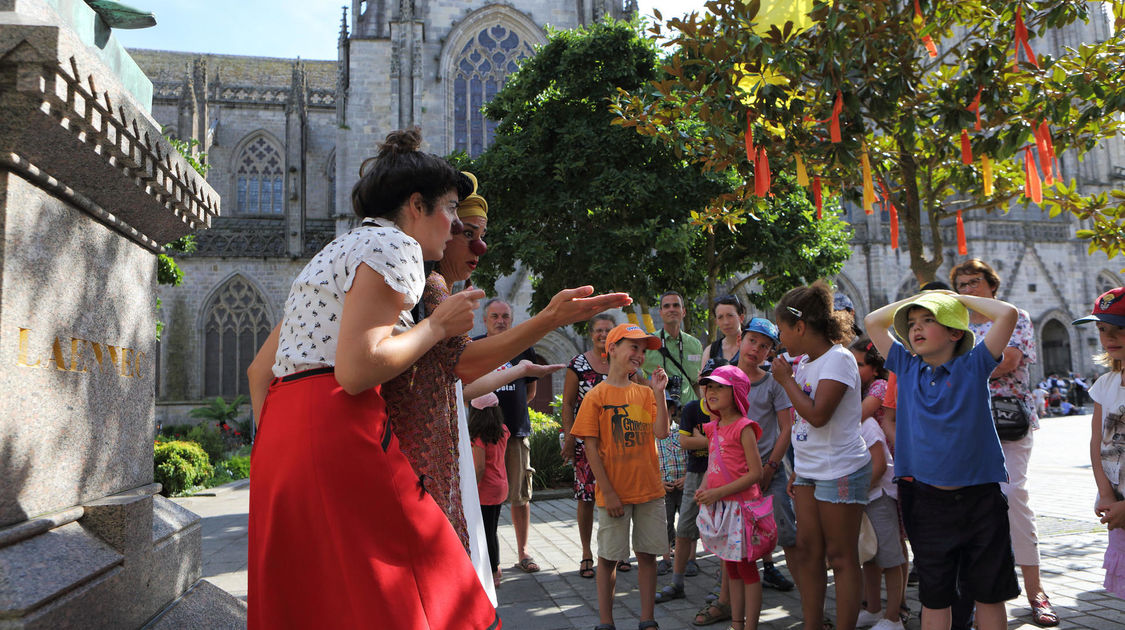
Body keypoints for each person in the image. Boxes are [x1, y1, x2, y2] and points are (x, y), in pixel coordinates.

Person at [244, 128, 499, 628]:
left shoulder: (329, 255)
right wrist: (436, 326)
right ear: (415, 205)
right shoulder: (396, 247)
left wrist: (283, 442)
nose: (453, 228)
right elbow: (357, 370)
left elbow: (259, 370)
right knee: (419, 591)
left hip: (282, 432)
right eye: (449, 209)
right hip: (341, 426)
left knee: (317, 600)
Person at [865, 290, 1020, 630]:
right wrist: (923, 299)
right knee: (936, 596)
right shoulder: (906, 367)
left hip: (981, 499)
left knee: (989, 594)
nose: (916, 328)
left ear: (955, 332)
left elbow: (1007, 314)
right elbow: (873, 321)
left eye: (929, 320)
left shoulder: (974, 365)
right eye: (912, 323)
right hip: (927, 501)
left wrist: (954, 297)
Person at [952, 259, 1056, 627]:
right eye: (961, 284)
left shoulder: (1014, 317)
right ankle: (984, 594)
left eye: (975, 282)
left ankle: (1036, 591)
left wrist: (959, 370)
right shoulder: (955, 325)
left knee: (1013, 498)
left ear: (992, 286)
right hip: (964, 426)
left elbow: (1008, 360)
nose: (968, 289)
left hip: (1008, 421)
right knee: (972, 506)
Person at [772, 282, 871, 630]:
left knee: (841, 558)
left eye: (782, 329)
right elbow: (805, 426)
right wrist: (800, 470)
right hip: (810, 471)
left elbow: (817, 415)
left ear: (800, 327)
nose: (779, 337)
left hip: (841, 469)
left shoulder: (840, 359)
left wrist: (786, 382)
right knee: (807, 551)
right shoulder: (803, 363)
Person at [571, 323, 671, 630]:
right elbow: (590, 447)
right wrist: (608, 491)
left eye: (643, 350)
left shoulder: (643, 394)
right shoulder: (596, 396)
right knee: (609, 558)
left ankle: (647, 619)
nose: (640, 355)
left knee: (647, 556)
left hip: (649, 490)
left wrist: (659, 394)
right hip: (613, 492)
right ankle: (606, 621)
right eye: (634, 347)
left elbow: (662, 432)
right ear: (611, 348)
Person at [696, 365, 770, 630]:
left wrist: (717, 492)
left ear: (736, 392)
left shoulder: (744, 427)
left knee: (747, 570)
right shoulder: (712, 428)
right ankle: (737, 623)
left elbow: (756, 473)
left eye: (719, 387)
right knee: (731, 569)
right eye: (709, 387)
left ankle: (749, 626)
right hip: (722, 509)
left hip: (742, 510)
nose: (711, 392)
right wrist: (704, 488)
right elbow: (713, 465)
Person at [478, 298, 542, 574]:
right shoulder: (474, 348)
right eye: (495, 316)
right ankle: (489, 558)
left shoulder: (523, 347)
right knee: (483, 499)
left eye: (505, 316)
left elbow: (530, 392)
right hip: (482, 435)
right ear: (485, 319)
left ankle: (523, 552)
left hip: (515, 433)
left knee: (520, 494)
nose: (500, 321)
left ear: (511, 319)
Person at [850, 339, 908, 630]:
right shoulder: (860, 397)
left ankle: (894, 614)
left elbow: (856, 421)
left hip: (886, 479)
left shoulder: (878, 390)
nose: (853, 369)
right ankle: (874, 608)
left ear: (875, 368)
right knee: (869, 553)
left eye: (859, 364)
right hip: (870, 483)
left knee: (892, 552)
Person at [1074, 286, 1125, 599]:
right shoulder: (1105, 385)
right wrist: (1106, 494)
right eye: (1103, 329)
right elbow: (1097, 443)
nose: (1110, 338)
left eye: (1120, 328)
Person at [561, 313, 617, 579]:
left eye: (608, 330)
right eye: (598, 330)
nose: (603, 335)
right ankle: (586, 553)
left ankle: (617, 552)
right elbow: (567, 403)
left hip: (619, 444)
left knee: (620, 496)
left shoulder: (623, 362)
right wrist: (570, 438)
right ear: (591, 333)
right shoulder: (578, 364)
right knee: (586, 499)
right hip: (586, 444)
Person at [469, 394, 509, 589]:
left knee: (486, 532)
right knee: (491, 530)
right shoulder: (503, 430)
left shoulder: (479, 437)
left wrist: (471, 489)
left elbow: (479, 468)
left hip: (485, 489)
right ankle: (495, 569)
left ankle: (493, 572)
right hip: (501, 485)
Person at [643, 291, 704, 405]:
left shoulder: (695, 345)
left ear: (683, 311)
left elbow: (696, 383)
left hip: (689, 412)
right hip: (659, 411)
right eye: (666, 306)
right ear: (660, 313)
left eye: (676, 305)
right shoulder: (648, 343)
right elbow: (630, 373)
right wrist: (652, 384)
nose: (671, 309)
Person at [656, 396, 686, 576]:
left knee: (686, 522)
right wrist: (658, 482)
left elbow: (692, 457)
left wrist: (688, 478)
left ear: (672, 411)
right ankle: (665, 558)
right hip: (663, 487)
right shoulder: (651, 436)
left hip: (683, 485)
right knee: (664, 522)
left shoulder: (682, 432)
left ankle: (689, 558)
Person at [701, 294, 747, 369]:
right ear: (716, 322)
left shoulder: (752, 346)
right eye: (720, 317)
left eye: (730, 315)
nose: (726, 322)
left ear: (741, 318)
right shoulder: (711, 350)